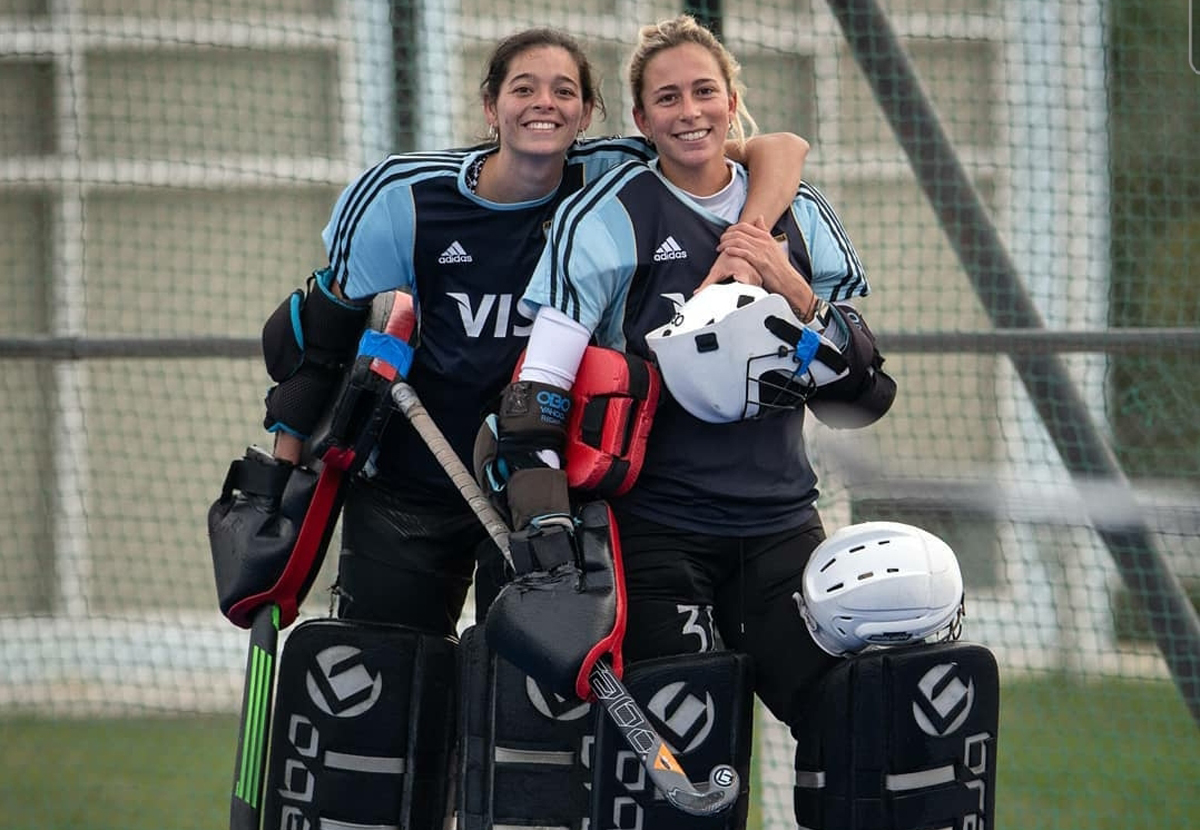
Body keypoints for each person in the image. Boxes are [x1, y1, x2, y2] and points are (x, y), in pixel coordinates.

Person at [481, 14, 896, 825]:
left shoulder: (800, 217)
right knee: (686, 745)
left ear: (733, 101)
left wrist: (789, 285)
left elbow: (858, 396)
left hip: (779, 525)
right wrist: (548, 534)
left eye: (705, 91)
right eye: (666, 98)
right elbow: (537, 396)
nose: (689, 111)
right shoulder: (605, 218)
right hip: (656, 531)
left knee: (848, 718)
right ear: (641, 120)